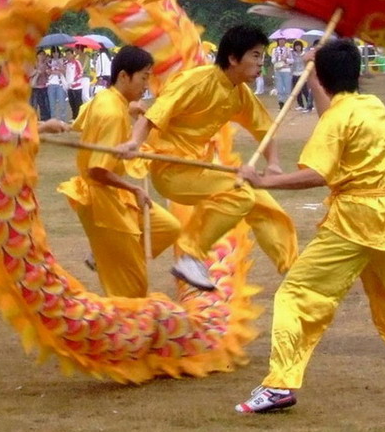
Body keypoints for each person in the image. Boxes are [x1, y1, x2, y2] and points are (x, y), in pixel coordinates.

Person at [235, 39, 385, 413]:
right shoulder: (371, 106)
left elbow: (316, 174)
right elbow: (333, 116)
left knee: (297, 293)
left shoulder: (340, 119)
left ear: (323, 75)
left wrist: (262, 181)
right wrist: (313, 77)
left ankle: (279, 385)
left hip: (354, 221)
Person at [120, 24, 297, 291]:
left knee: (262, 201)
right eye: (256, 55)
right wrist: (134, 142)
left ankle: (293, 270)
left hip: (198, 168)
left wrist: (273, 163)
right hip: (172, 171)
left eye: (263, 56)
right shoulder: (198, 81)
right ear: (233, 58)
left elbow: (264, 128)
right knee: (241, 194)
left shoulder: (240, 92)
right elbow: (153, 116)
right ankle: (191, 255)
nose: (262, 62)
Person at [59, 46, 181, 297]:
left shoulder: (105, 98)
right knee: (132, 289)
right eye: (144, 77)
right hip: (102, 199)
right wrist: (133, 188)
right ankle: (112, 257)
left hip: (112, 193)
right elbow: (96, 171)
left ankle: (109, 254)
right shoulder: (111, 111)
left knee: (166, 227)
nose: (147, 85)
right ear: (124, 76)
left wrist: (131, 109)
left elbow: (80, 122)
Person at [271, 39, 294, 109]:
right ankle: (281, 103)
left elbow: (292, 60)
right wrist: (277, 57)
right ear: (278, 41)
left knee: (287, 87)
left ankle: (288, 103)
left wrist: (286, 59)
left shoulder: (288, 50)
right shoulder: (274, 50)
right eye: (280, 40)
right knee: (279, 87)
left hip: (286, 70)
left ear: (285, 41)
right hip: (278, 70)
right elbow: (273, 61)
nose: (281, 42)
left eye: (283, 40)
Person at [64, 48, 84, 119]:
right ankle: (74, 117)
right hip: (69, 87)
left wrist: (75, 79)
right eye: (66, 54)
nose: (67, 56)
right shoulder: (66, 64)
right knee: (72, 103)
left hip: (77, 87)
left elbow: (81, 73)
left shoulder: (76, 62)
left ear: (73, 54)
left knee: (78, 104)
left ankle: (80, 118)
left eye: (69, 54)